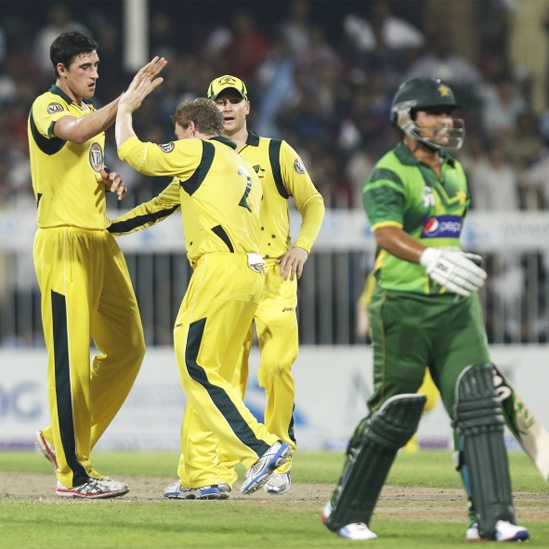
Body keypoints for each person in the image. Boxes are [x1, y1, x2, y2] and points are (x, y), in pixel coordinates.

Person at [322, 77, 530, 542]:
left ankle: (491, 518)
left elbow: (447, 233)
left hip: (456, 308)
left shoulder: (455, 171)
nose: (445, 121)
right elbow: (386, 234)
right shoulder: (387, 173)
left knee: (477, 405)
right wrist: (429, 258)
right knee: (394, 411)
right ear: (406, 119)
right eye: (434, 112)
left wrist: (451, 260)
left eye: (449, 113)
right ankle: (345, 509)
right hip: (403, 304)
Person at [109, 62, 292, 500]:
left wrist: (125, 110)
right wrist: (107, 230)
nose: (177, 143)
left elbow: (135, 154)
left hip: (219, 270)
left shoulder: (199, 152)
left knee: (194, 365)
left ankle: (263, 447)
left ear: (191, 129)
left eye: (179, 134)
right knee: (212, 372)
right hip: (251, 272)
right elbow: (160, 205)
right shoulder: (234, 164)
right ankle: (201, 474)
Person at [29, 31, 146, 498]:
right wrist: (126, 101)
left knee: (130, 346)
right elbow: (74, 133)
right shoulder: (47, 106)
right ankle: (74, 475)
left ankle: (57, 439)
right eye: (85, 67)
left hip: (99, 238)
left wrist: (106, 178)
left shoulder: (88, 112)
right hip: (63, 241)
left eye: (96, 65)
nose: (94, 73)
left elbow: (82, 158)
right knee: (71, 361)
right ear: (61, 70)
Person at [206, 74, 325, 495]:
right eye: (219, 102)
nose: (226, 107)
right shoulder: (203, 155)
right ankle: (220, 470)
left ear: (247, 106)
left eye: (233, 100)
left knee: (275, 366)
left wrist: (302, 248)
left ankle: (280, 459)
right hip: (230, 274)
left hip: (275, 272)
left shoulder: (276, 151)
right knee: (225, 374)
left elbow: (312, 202)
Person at [355, 272, 440, 453]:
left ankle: (392, 437)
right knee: (404, 395)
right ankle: (406, 446)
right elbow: (365, 302)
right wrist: (365, 325)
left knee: (428, 400)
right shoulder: (379, 273)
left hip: (422, 338)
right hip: (393, 339)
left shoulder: (427, 268)